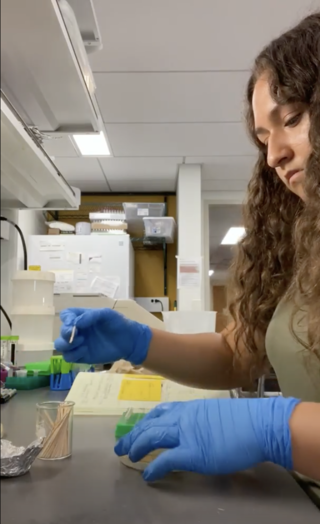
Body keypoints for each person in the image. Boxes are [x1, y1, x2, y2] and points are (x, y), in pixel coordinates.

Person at [55, 12, 320, 483]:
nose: (274, 154)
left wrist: (277, 429)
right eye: (263, 138)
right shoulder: (306, 245)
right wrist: (141, 342)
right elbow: (238, 354)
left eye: (293, 119)